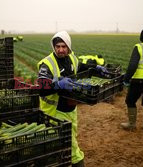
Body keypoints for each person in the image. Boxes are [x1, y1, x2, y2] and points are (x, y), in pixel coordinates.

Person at [37, 31, 108, 167]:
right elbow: (41, 87)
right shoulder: (47, 64)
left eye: (64, 46)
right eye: (57, 46)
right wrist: (57, 84)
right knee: (72, 147)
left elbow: (80, 67)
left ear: (68, 47)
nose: (60, 50)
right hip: (54, 112)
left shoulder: (72, 59)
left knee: (65, 141)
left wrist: (95, 68)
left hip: (71, 110)